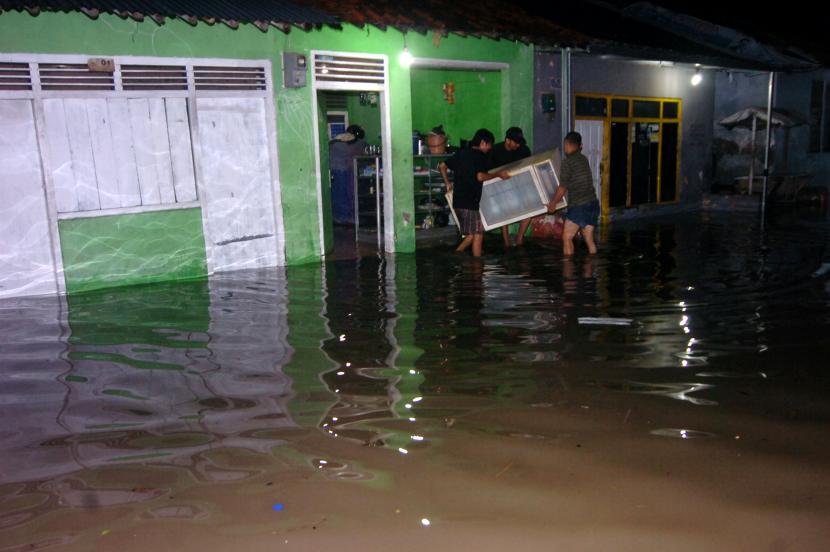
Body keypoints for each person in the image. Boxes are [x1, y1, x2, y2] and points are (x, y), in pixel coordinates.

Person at [440, 129, 511, 257]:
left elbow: (442, 166)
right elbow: (480, 176)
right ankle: (477, 266)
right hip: (469, 202)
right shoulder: (480, 156)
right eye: (489, 145)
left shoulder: (461, 153)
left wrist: (447, 183)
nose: (489, 148)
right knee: (478, 233)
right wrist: (498, 175)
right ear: (483, 143)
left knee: (472, 234)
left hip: (458, 201)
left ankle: (455, 256)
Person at [548, 131, 599, 256]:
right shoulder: (583, 159)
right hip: (592, 204)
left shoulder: (568, 162)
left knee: (567, 238)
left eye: (565, 145)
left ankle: (568, 271)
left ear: (567, 144)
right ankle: (591, 270)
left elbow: (563, 187)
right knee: (589, 239)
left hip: (579, 206)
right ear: (580, 145)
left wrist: (553, 203)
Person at [489, 127, 533, 247]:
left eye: (519, 142)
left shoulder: (524, 150)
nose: (518, 145)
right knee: (505, 211)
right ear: (507, 140)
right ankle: (506, 241)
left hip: (520, 185)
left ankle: (519, 238)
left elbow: (528, 167)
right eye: (516, 142)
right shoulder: (495, 151)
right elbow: (489, 173)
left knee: (531, 208)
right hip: (500, 187)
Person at [329, 125, 366, 225]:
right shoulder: (358, 144)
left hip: (337, 171)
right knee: (345, 194)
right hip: (344, 171)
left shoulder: (336, 144)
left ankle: (339, 217)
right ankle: (344, 217)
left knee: (340, 194)